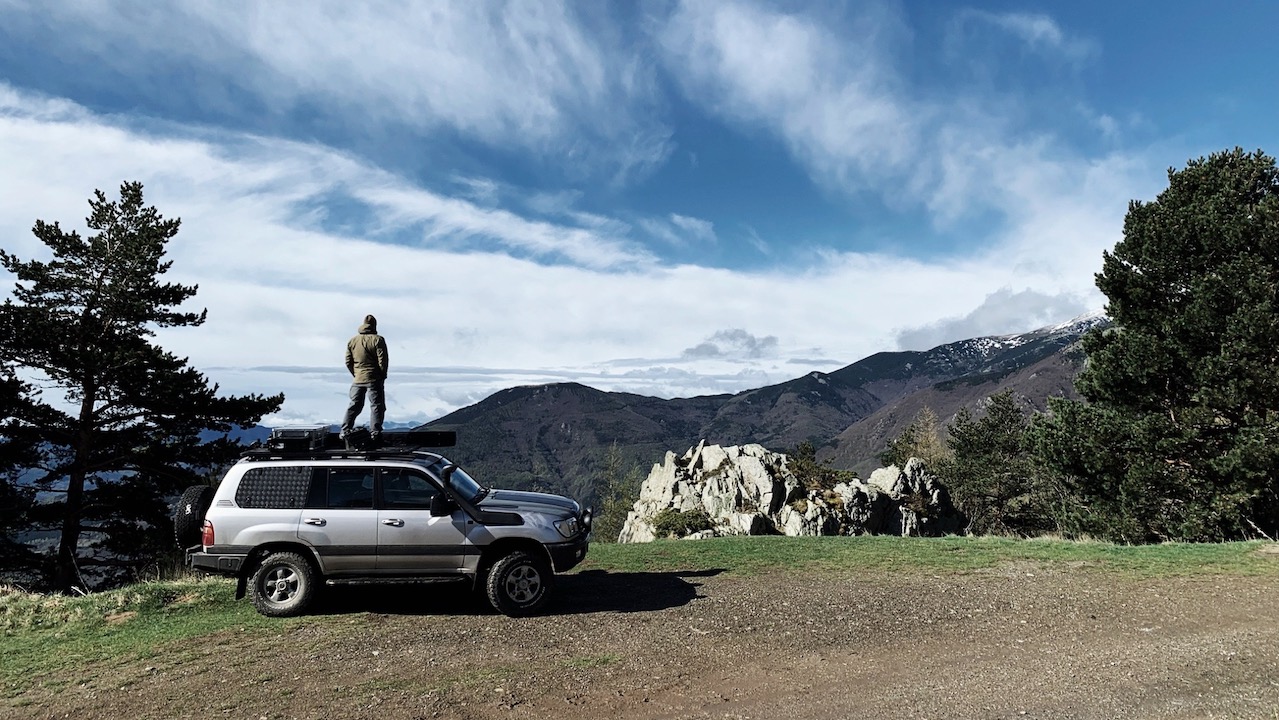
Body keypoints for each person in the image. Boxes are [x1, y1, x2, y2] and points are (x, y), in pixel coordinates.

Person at [341, 314, 389, 447]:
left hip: (358, 378)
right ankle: (375, 432)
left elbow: (348, 361)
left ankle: (345, 430)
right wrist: (382, 375)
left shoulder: (352, 341)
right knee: (376, 406)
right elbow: (382, 361)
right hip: (374, 378)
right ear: (374, 325)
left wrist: (355, 373)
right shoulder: (378, 340)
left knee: (354, 405)